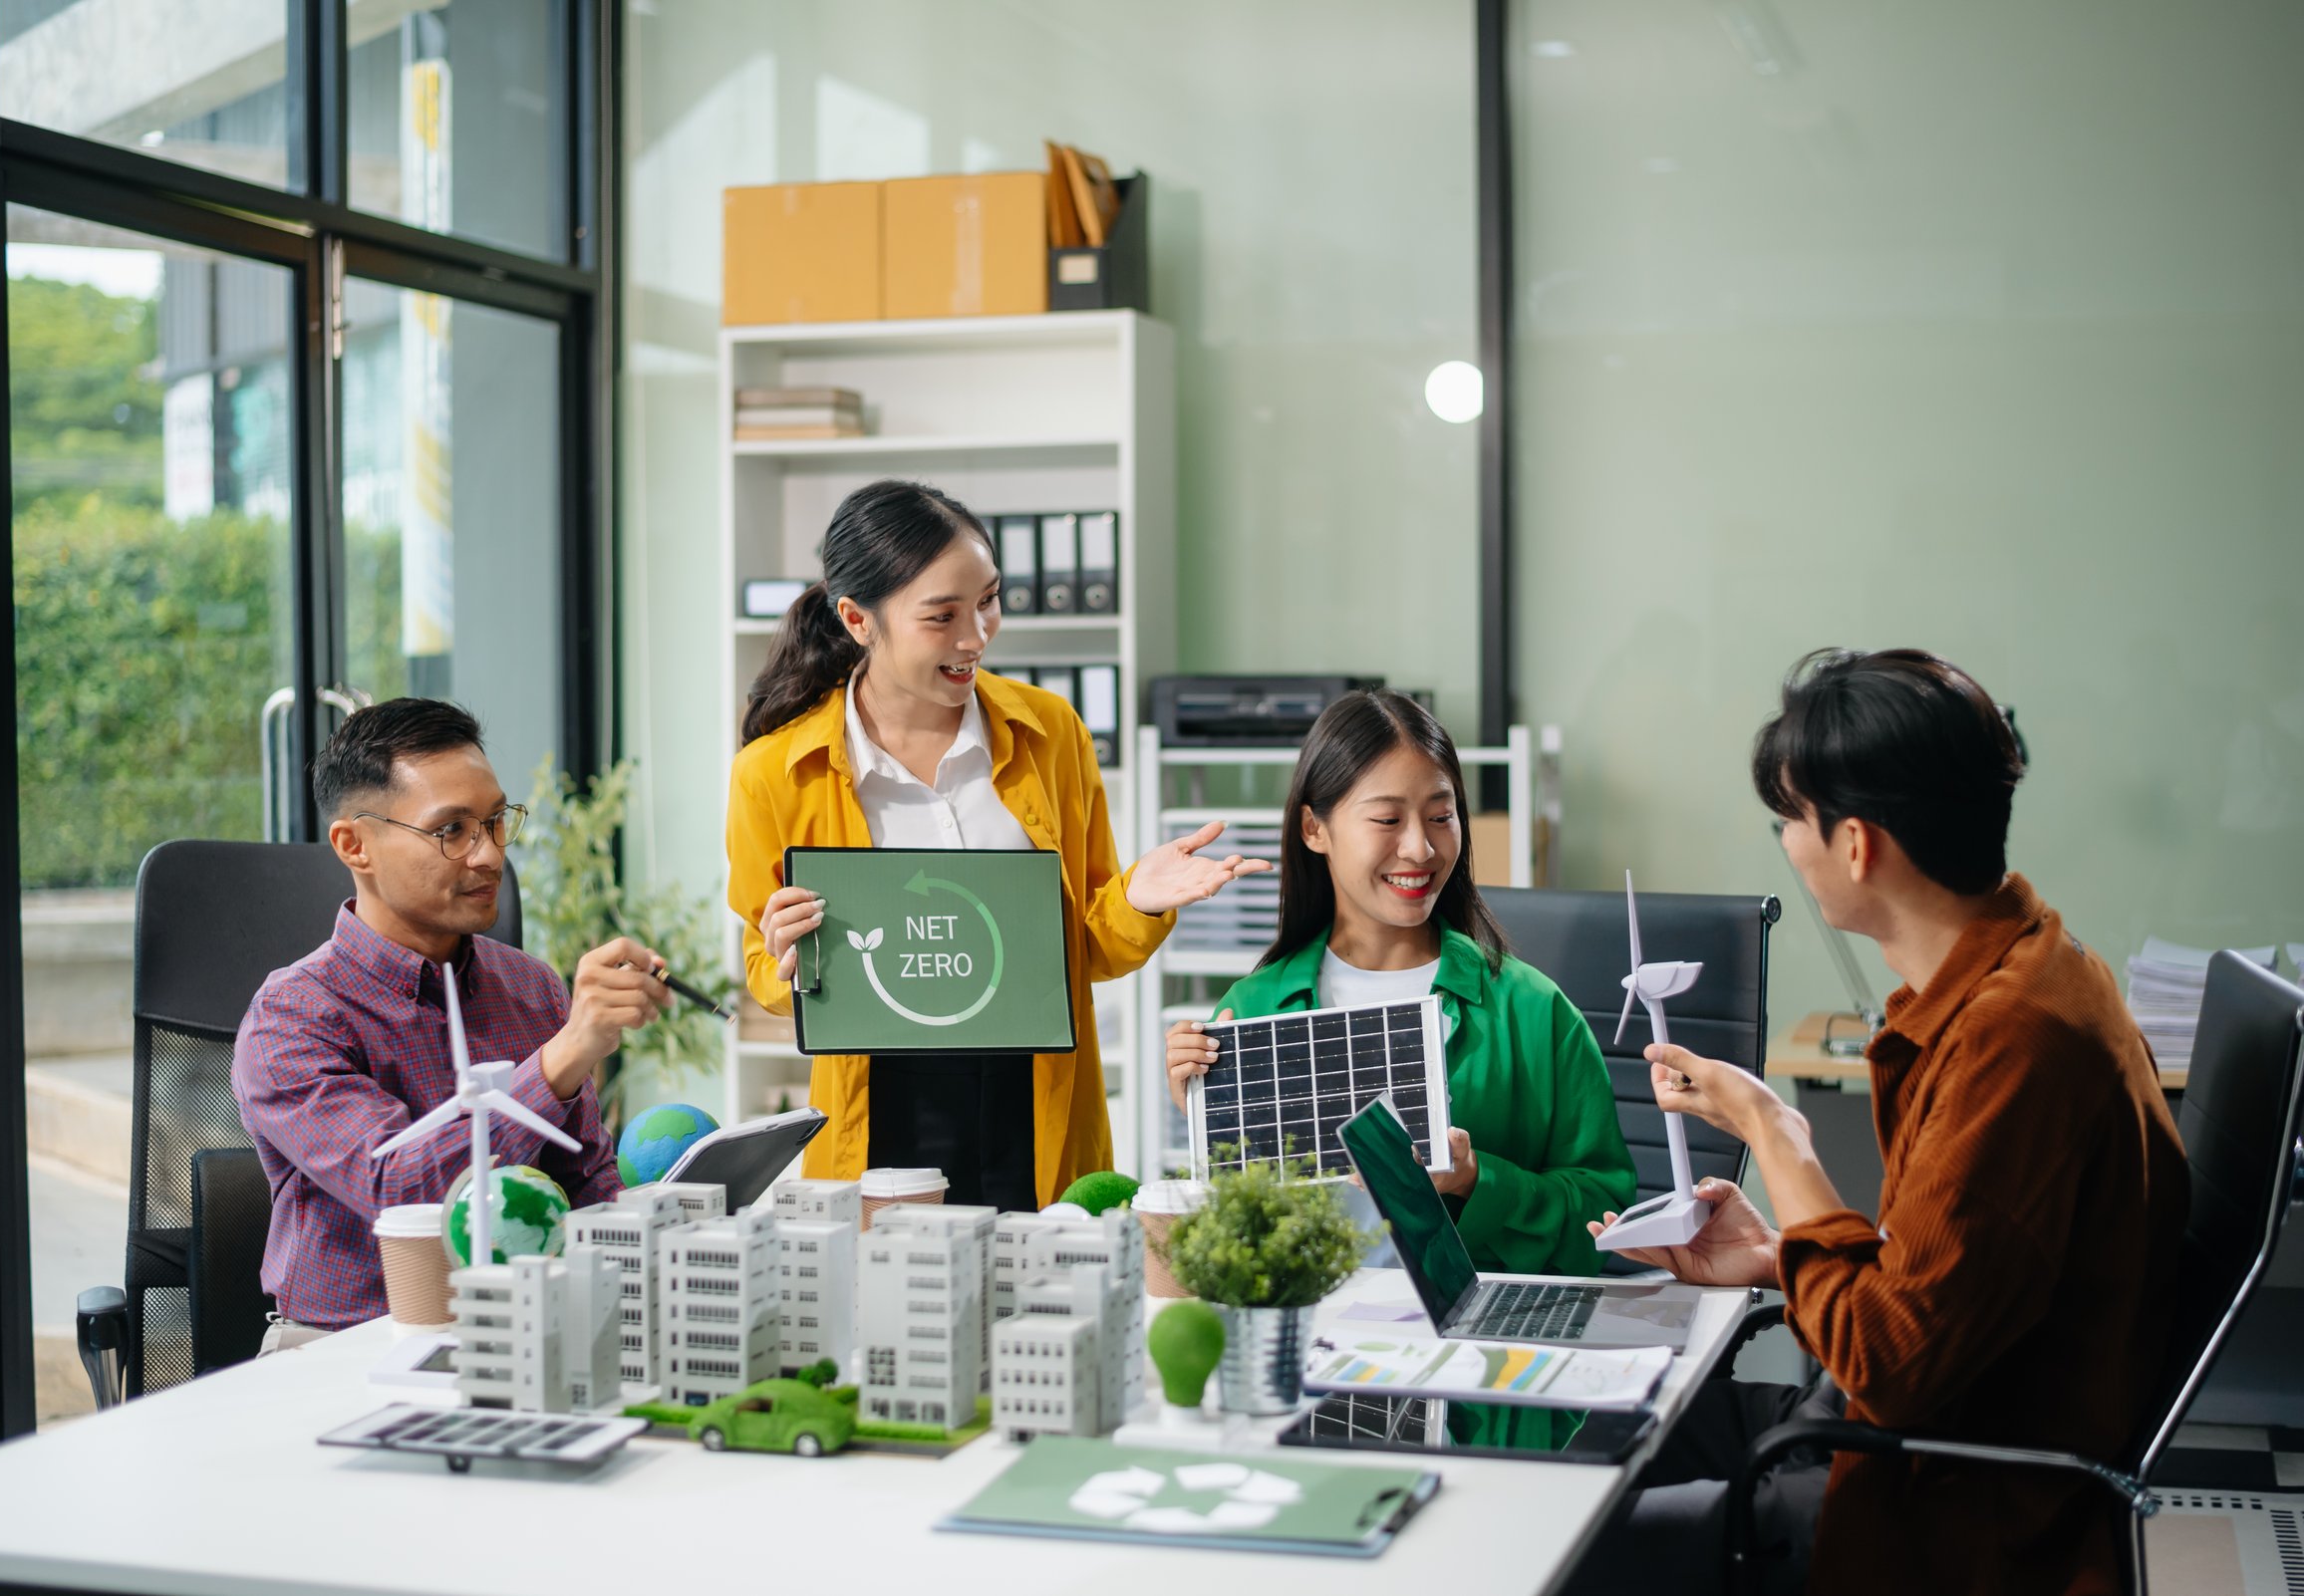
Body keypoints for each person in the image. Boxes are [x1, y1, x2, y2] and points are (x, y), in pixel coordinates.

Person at [1573, 649, 2186, 1596]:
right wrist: (1781, 1254)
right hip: (1911, 1440)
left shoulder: (2013, 1042)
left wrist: (1774, 1128)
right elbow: (1949, 1291)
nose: (1786, 840)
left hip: (1936, 1510)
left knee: (1556, 1539)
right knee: (1581, 1423)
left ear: (1855, 845)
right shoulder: (2043, 974)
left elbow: (1892, 1364)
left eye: (1790, 820)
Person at [725, 478, 1265, 1212]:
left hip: (1033, 1096)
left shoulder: (1052, 733)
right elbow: (763, 966)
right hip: (881, 1104)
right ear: (857, 618)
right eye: (941, 616)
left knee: (1047, 1305)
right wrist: (787, 960)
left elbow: (1088, 948)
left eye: (988, 600)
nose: (975, 636)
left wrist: (1136, 897)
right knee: (895, 1310)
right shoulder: (774, 773)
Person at [234, 699, 671, 1347]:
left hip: (524, 1329)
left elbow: (584, 1182)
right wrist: (560, 1060)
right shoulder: (292, 1016)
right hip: (344, 1346)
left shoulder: (530, 987)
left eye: (496, 822)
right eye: (452, 831)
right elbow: (402, 1194)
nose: (490, 856)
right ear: (356, 845)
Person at [1164, 689, 1636, 1276]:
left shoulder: (1533, 1010)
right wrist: (1209, 1115)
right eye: (1387, 819)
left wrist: (1476, 1179)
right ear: (1314, 828)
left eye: (1441, 817)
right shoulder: (1253, 1008)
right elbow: (1235, 1240)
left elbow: (1608, 1217)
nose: (1420, 847)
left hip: (1484, 1342)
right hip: (1316, 1335)